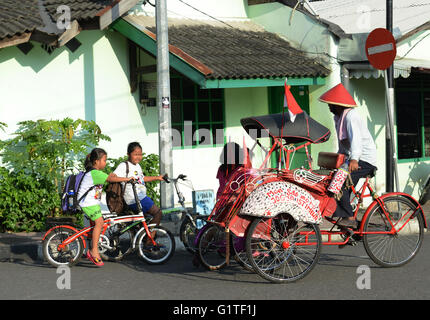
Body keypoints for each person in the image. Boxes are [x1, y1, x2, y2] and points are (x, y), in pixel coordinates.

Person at [319, 83, 378, 228]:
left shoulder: (351, 117)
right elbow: (343, 144)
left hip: (364, 159)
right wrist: (339, 159)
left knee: (342, 182)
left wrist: (353, 159)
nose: (329, 107)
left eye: (330, 104)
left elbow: (356, 140)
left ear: (337, 104)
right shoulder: (338, 117)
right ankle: (343, 216)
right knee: (331, 180)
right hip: (352, 157)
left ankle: (349, 217)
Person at [78, 148, 133, 266]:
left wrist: (112, 176)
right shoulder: (94, 173)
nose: (105, 162)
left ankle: (91, 246)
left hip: (92, 203)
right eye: (104, 160)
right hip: (88, 203)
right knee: (99, 223)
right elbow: (110, 178)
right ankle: (93, 251)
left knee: (98, 225)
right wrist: (127, 179)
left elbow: (108, 177)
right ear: (96, 161)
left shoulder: (95, 173)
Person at [113, 142, 165, 244]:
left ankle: (143, 238)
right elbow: (111, 177)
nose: (138, 157)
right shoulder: (124, 166)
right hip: (134, 198)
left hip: (140, 197)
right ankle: (149, 241)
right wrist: (127, 179)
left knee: (146, 219)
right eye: (135, 154)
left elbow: (142, 179)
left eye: (140, 154)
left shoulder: (137, 166)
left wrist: (157, 177)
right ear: (128, 154)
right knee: (158, 213)